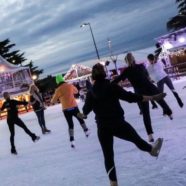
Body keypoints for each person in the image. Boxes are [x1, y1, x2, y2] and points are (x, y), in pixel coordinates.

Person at [78, 63, 163, 186]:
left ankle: (113, 183)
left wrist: (81, 115)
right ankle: (152, 150)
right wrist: (152, 97)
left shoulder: (91, 92)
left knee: (108, 156)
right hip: (118, 123)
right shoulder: (111, 86)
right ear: (104, 73)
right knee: (136, 139)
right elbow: (130, 97)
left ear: (93, 77)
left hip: (103, 128)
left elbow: (85, 112)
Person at [112, 53, 173, 142]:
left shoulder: (131, 69)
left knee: (150, 110)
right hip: (145, 90)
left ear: (128, 60)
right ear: (132, 59)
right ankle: (167, 115)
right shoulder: (135, 68)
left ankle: (151, 134)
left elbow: (118, 80)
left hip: (143, 90)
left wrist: (110, 84)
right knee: (155, 105)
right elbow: (146, 76)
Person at [51, 74, 90, 148]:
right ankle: (86, 130)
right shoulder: (69, 85)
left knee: (70, 124)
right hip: (74, 107)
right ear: (62, 79)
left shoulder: (58, 89)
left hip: (66, 109)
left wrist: (58, 97)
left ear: (57, 81)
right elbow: (76, 91)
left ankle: (72, 140)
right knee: (80, 119)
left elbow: (53, 101)